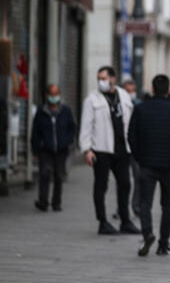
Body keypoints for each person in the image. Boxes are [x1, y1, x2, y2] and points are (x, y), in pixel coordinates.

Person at [128, 75, 170, 257]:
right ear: (168, 91)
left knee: (145, 203)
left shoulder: (141, 108)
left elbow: (131, 136)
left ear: (152, 87)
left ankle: (147, 233)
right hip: (169, 165)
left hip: (147, 163)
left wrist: (139, 157)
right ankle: (163, 244)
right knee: (167, 205)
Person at [79, 66, 139, 235]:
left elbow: (131, 120)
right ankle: (102, 221)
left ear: (113, 78)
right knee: (101, 185)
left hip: (122, 148)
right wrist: (87, 149)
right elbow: (86, 125)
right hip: (101, 148)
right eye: (99, 78)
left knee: (125, 184)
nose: (101, 81)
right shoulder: (92, 99)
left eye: (104, 78)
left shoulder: (124, 96)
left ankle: (125, 220)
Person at [31, 84, 76, 212]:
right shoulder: (41, 111)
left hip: (61, 149)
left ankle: (56, 203)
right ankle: (43, 201)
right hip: (45, 149)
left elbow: (72, 128)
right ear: (47, 95)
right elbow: (35, 131)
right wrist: (35, 149)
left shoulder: (65, 110)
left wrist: (67, 141)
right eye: (51, 94)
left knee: (58, 175)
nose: (54, 97)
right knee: (44, 173)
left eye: (56, 94)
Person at [122, 78, 141, 217]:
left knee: (138, 177)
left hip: (135, 148)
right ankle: (121, 208)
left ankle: (136, 206)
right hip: (121, 147)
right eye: (128, 91)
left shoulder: (140, 106)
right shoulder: (118, 104)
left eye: (133, 91)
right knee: (123, 180)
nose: (131, 94)